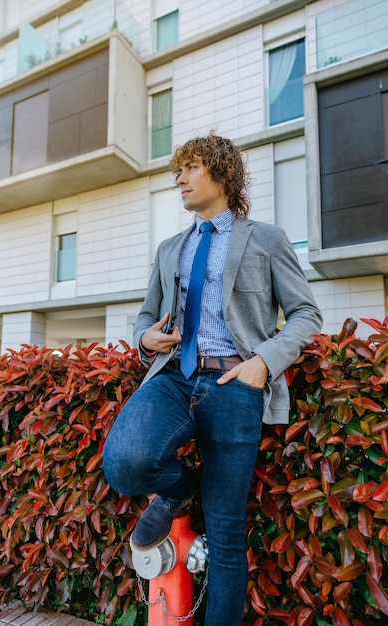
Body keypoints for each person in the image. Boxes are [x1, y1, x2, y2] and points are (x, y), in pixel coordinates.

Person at [102, 134, 323, 625]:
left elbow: (306, 313)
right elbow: (144, 317)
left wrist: (263, 362)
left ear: (222, 174)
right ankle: (182, 488)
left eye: (190, 168)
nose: (179, 179)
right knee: (124, 462)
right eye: (177, 170)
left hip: (234, 387)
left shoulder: (265, 239)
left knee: (225, 533)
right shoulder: (168, 249)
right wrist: (146, 340)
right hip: (174, 381)